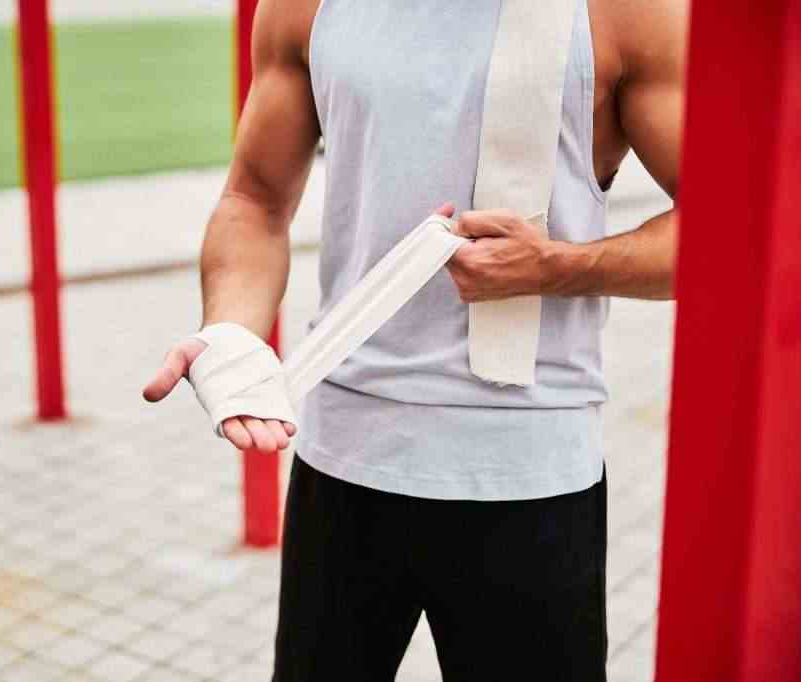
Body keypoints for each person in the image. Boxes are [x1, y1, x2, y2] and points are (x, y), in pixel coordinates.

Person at [144, 0, 686, 678]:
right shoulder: (306, 6)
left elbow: (729, 226)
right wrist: (231, 333)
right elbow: (254, 198)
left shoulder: (620, 11)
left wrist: (561, 267)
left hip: (528, 477)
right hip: (342, 465)